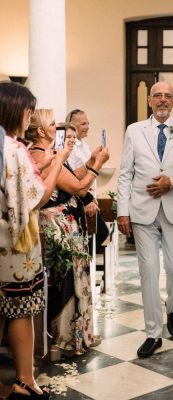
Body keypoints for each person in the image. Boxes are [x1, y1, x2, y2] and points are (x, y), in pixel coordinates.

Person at [117, 81, 173, 358]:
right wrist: (122, 211)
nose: (163, 100)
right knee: (149, 272)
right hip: (142, 211)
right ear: (150, 101)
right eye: (158, 96)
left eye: (168, 96)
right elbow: (125, 173)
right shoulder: (134, 131)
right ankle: (153, 333)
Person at [0, 82, 67, 399]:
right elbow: (38, 197)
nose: (30, 118)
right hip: (14, 248)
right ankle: (25, 380)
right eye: (28, 111)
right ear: (16, 111)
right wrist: (57, 161)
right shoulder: (14, 149)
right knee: (19, 310)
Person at [26, 110, 109, 355]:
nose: (58, 127)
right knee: (64, 282)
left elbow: (71, 177)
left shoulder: (49, 154)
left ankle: (73, 335)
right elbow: (79, 189)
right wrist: (99, 165)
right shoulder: (43, 156)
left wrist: (91, 161)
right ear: (41, 131)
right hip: (57, 228)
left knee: (68, 280)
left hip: (65, 225)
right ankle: (64, 339)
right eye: (52, 124)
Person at [65, 109, 109, 254]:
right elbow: (74, 177)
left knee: (101, 232)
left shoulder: (84, 145)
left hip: (87, 194)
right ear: (72, 125)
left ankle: (82, 258)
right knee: (101, 232)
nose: (87, 126)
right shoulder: (70, 148)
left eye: (88, 123)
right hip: (80, 195)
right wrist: (97, 163)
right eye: (83, 123)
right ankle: (81, 257)